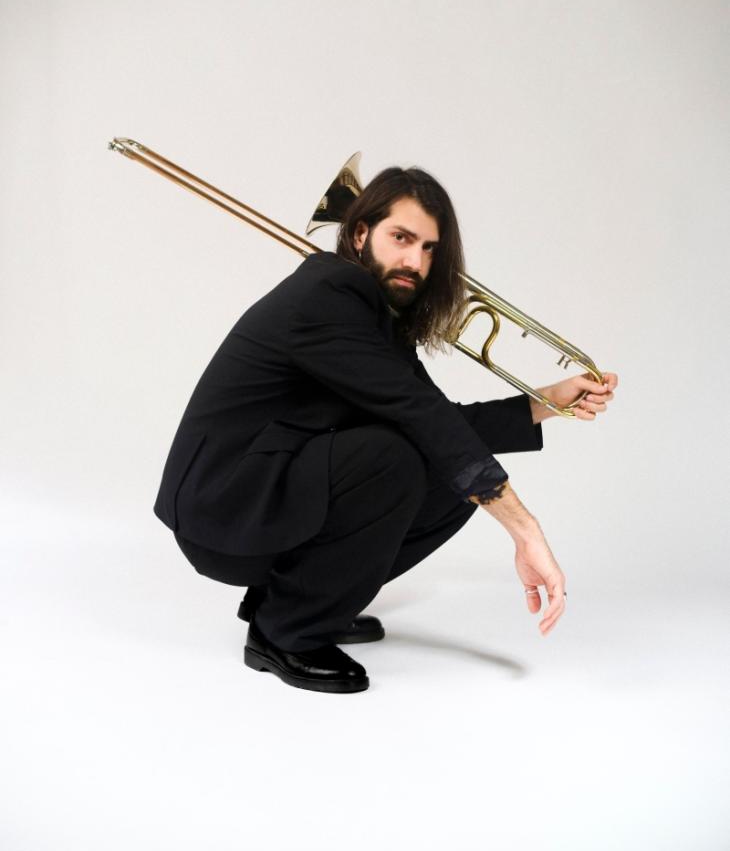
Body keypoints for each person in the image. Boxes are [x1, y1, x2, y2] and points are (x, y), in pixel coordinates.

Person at [153, 165, 618, 694]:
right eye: (401, 238)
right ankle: (285, 632)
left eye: (429, 249)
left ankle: (312, 598)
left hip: (261, 495)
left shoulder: (371, 313)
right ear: (359, 234)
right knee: (393, 458)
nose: (415, 262)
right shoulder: (328, 293)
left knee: (445, 470)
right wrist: (525, 530)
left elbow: (439, 421)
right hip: (221, 513)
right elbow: (421, 415)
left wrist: (547, 402)